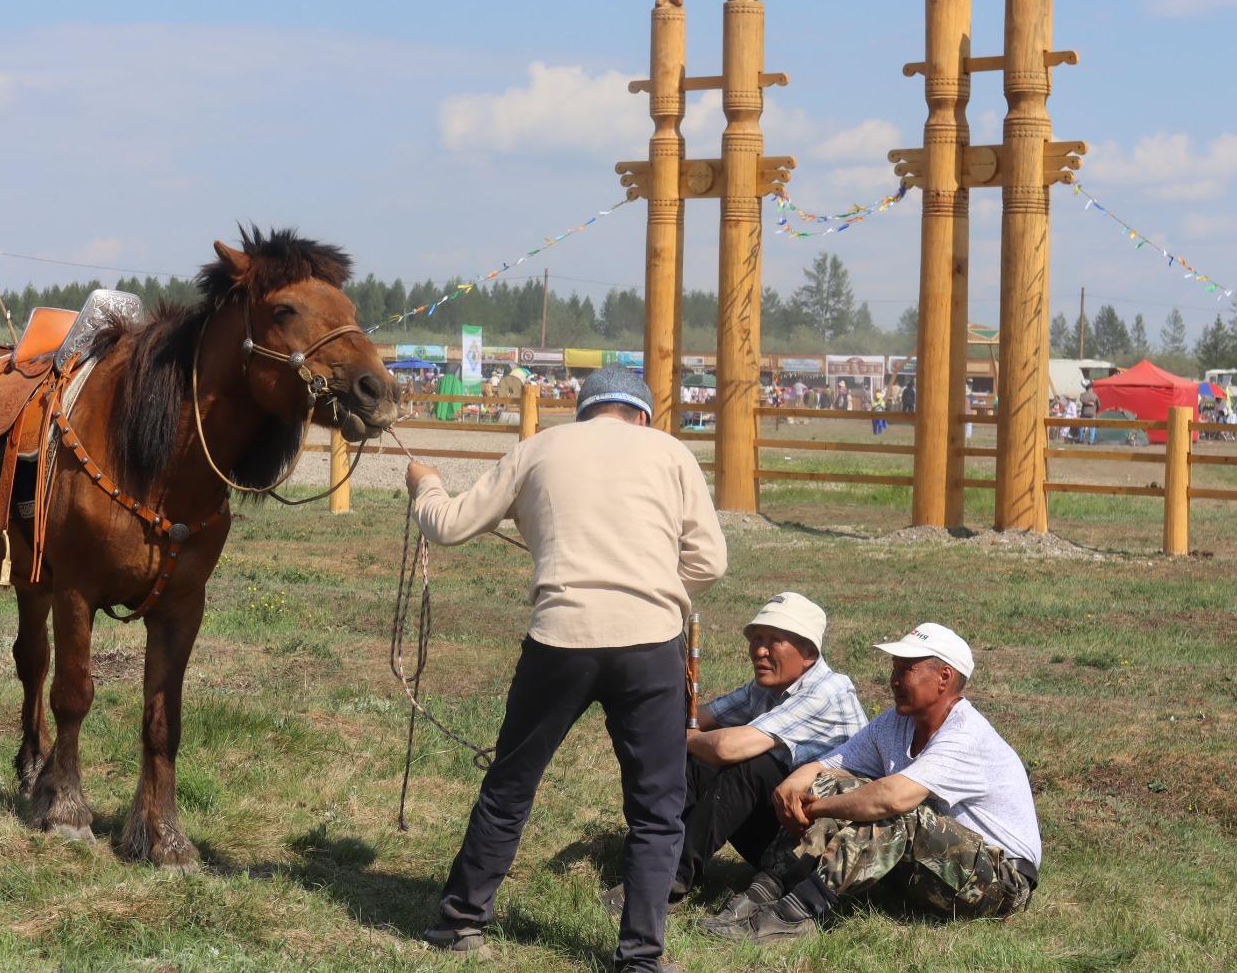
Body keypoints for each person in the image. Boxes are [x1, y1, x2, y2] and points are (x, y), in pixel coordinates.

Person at [407, 365, 727, 973]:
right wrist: (659, 592)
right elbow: (709, 560)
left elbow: (447, 526)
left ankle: (461, 920)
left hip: (559, 637)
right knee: (657, 808)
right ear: (641, 416)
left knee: (511, 785)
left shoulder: (538, 448)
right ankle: (640, 957)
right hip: (650, 643)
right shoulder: (671, 453)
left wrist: (424, 483)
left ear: (584, 411)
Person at [702, 622, 1041, 945]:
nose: (892, 680)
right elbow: (827, 766)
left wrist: (814, 808)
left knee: (897, 813)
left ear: (944, 677)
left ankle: (793, 916)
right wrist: (788, 790)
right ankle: (760, 893)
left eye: (905, 669)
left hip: (1000, 885)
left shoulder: (966, 735)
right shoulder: (895, 722)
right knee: (833, 784)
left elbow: (893, 799)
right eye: (894, 668)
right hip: (937, 872)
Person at [665, 593, 865, 904]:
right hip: (786, 829)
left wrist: (687, 737)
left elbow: (726, 748)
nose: (759, 650)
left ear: (809, 651)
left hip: (824, 852)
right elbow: (697, 719)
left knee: (752, 767)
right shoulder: (765, 687)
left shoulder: (828, 690)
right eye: (756, 638)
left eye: (774, 641)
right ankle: (659, 858)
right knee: (697, 764)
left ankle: (669, 879)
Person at [1079, 380, 1099, 445]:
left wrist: (1087, 403)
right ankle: (1090, 441)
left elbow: (1081, 400)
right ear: (1090, 389)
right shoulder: (1095, 395)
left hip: (1084, 412)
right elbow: (1099, 405)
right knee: (1092, 427)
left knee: (1081, 426)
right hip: (1092, 413)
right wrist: (1096, 410)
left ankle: (1080, 439)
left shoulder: (1082, 395)